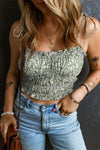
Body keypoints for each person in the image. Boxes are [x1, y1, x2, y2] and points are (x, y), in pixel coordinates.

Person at [0, 0, 100, 150]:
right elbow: (13, 72)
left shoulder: (88, 28)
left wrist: (77, 96)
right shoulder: (20, 30)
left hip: (63, 116)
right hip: (26, 115)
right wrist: (7, 112)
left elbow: (98, 69)